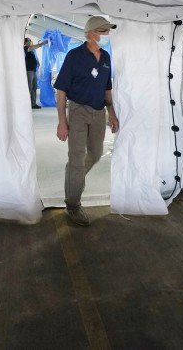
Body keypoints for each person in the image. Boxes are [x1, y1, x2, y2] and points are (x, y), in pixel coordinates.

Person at [53, 16, 120, 226]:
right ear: (90, 32)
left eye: (107, 31)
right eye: (102, 31)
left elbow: (107, 87)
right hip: (78, 111)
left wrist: (112, 111)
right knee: (77, 156)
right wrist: (62, 122)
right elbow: (61, 90)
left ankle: (75, 171)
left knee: (96, 153)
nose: (105, 35)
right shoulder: (74, 56)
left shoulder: (106, 57)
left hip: (99, 111)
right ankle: (73, 205)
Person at [24, 37, 49, 109]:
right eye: (28, 41)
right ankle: (27, 104)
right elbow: (35, 46)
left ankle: (33, 103)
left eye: (30, 41)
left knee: (34, 87)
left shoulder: (32, 51)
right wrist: (42, 43)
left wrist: (37, 62)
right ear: (25, 42)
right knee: (29, 87)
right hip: (29, 71)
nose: (30, 42)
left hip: (33, 70)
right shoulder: (26, 48)